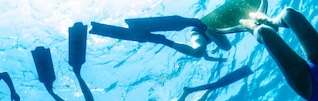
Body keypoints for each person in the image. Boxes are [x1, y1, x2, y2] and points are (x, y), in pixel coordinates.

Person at [89, 0, 267, 60]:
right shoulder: (256, 5)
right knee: (225, 47)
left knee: (200, 52)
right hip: (199, 27)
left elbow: (202, 49)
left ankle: (162, 40)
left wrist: (208, 57)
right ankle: (192, 26)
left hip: (200, 30)